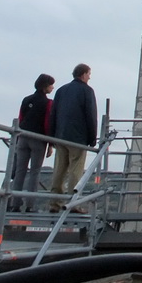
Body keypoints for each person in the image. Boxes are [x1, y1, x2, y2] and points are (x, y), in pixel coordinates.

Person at [48, 64, 98, 211]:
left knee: (59, 169)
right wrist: (92, 138)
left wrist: (52, 137)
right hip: (78, 137)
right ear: (83, 74)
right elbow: (91, 115)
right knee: (76, 170)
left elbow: (53, 114)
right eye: (89, 73)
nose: (89, 76)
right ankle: (72, 203)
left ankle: (54, 203)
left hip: (60, 136)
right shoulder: (87, 91)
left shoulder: (61, 90)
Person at [9, 74, 55, 212]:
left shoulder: (26, 99)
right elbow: (47, 123)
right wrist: (50, 143)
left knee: (20, 171)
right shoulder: (48, 103)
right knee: (35, 171)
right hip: (38, 139)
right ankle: (30, 205)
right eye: (51, 84)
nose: (53, 87)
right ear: (45, 86)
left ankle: (15, 204)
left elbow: (21, 118)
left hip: (22, 137)